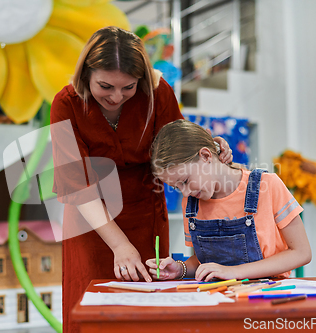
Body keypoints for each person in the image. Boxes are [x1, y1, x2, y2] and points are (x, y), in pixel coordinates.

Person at [50, 27, 232, 333]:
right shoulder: (65, 104)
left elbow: (179, 148)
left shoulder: (159, 93)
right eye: (105, 86)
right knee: (91, 308)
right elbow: (78, 186)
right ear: (86, 75)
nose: (116, 96)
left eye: (128, 88)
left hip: (146, 214)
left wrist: (212, 153)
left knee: (148, 308)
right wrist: (120, 245)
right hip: (91, 220)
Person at [146, 119, 312, 281]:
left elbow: (301, 252)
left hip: (266, 297)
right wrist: (180, 268)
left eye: (185, 181)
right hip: (217, 298)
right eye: (177, 187)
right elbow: (203, 261)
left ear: (205, 156)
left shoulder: (267, 185)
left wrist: (235, 272)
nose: (185, 192)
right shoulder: (191, 204)